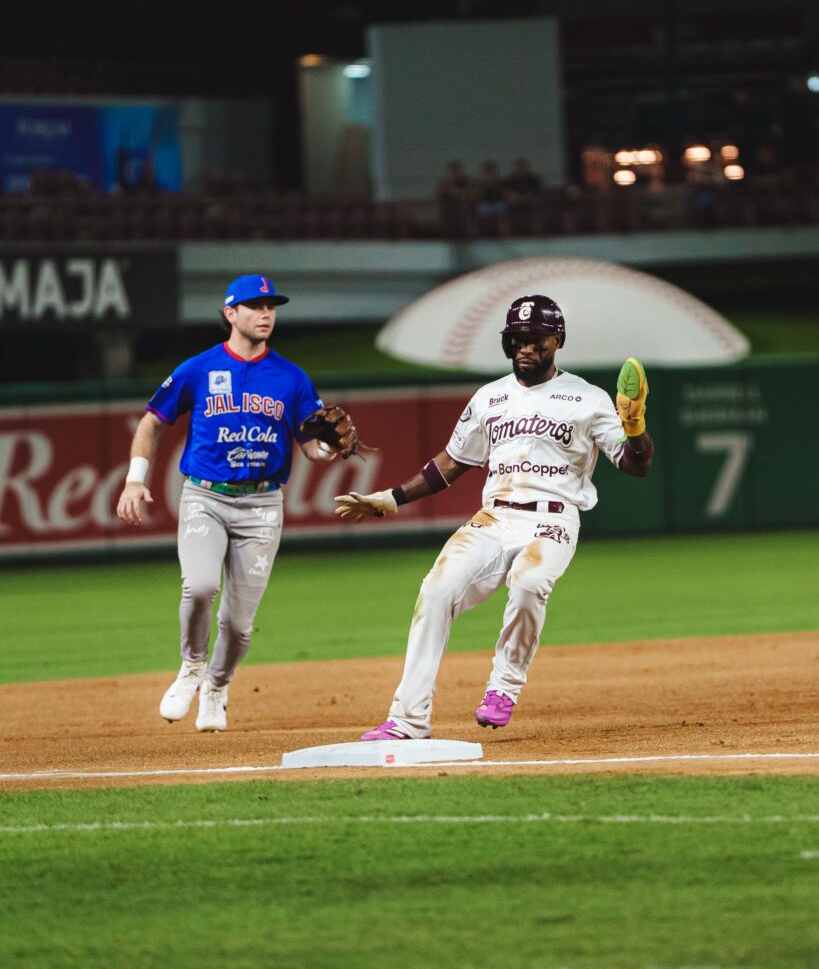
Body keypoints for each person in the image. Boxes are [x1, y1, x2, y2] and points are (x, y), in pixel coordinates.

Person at [335, 295, 653, 740]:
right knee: (435, 590)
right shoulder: (490, 397)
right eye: (515, 339)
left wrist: (635, 426)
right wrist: (391, 497)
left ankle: (504, 687)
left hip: (553, 520)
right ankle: (407, 719)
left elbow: (636, 465)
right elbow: (450, 463)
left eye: (534, 338)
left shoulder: (588, 398)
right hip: (494, 517)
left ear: (556, 340)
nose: (524, 346)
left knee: (528, 583)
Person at [116, 273, 358, 732]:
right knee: (200, 586)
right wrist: (134, 480)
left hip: (263, 505)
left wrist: (331, 448)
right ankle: (191, 668)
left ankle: (217, 686)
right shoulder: (198, 368)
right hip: (205, 496)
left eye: (271, 306)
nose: (266, 313)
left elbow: (311, 448)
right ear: (231, 313)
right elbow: (152, 422)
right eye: (255, 305)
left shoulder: (292, 378)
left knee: (240, 624)